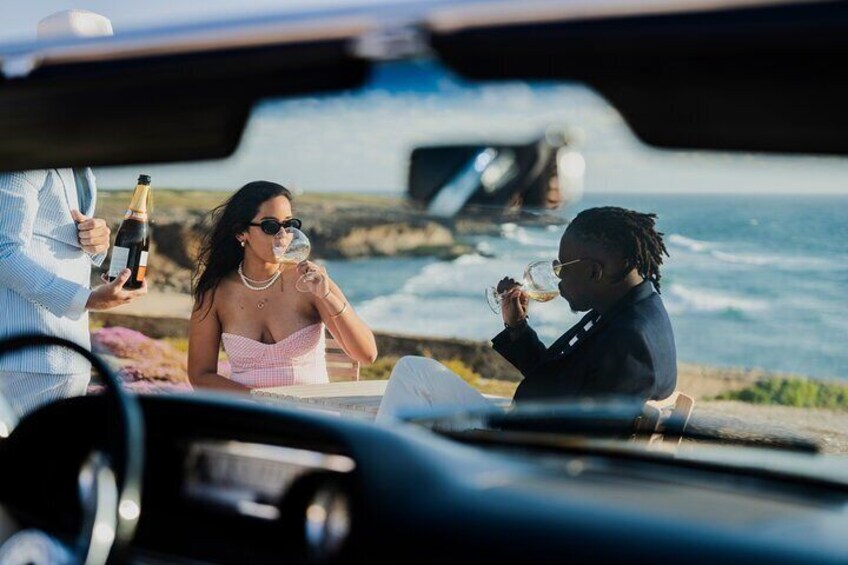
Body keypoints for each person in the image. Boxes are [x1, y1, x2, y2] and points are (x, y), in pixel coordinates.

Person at [376, 206, 676, 421]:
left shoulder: (628, 341)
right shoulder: (637, 309)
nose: (557, 278)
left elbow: (579, 443)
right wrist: (517, 328)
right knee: (415, 371)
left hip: (525, 457)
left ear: (594, 271)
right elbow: (561, 381)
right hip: (528, 436)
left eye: (561, 267)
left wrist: (467, 441)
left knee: (412, 382)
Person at [0, 10, 147, 420]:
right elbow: (2, 250)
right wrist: (85, 298)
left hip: (60, 353)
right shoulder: (26, 146)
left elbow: (49, 233)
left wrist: (94, 241)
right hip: (25, 358)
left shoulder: (66, 146)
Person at [188, 181, 378, 391]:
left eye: (289, 225)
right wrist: (260, 403)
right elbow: (200, 376)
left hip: (310, 416)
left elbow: (367, 354)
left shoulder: (309, 282)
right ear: (241, 233)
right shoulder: (216, 293)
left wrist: (327, 297)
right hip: (251, 416)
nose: (282, 235)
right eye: (270, 226)